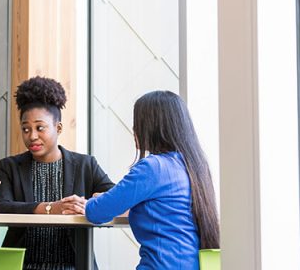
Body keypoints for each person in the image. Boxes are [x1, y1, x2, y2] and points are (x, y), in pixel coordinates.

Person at [85, 90, 220, 270]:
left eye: (138, 124)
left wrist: (93, 200)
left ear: (152, 127)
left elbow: (97, 212)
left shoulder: (154, 167)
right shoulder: (194, 167)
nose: (134, 130)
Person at [0, 76, 114, 270]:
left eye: (40, 128)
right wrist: (50, 208)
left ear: (58, 128)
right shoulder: (9, 167)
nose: (32, 136)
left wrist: (90, 204)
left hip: (74, 265)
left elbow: (115, 198)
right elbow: (1, 207)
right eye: (25, 129)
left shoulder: (85, 165)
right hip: (23, 265)